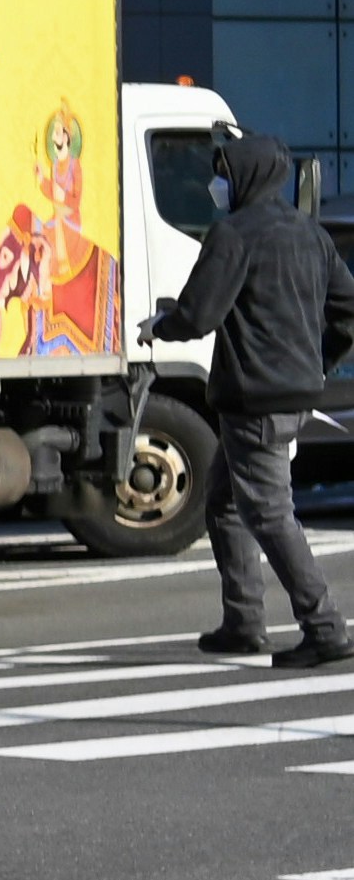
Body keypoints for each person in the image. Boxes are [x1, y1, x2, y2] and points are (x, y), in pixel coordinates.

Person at [148, 132, 354, 664]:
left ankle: (325, 626)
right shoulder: (311, 235)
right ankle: (243, 622)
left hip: (253, 399)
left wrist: (161, 326)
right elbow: (348, 311)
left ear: (245, 176)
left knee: (268, 513)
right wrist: (318, 359)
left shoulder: (233, 235)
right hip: (295, 394)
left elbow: (199, 315)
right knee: (224, 503)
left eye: (222, 171)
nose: (216, 182)